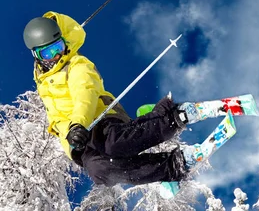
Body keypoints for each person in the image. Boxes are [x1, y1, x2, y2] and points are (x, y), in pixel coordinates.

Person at [23, 12, 208, 187]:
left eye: (59, 47)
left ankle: (173, 116)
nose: (56, 55)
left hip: (99, 120)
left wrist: (77, 124)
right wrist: (68, 137)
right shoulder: (43, 83)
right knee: (101, 172)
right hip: (78, 142)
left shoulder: (76, 66)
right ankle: (173, 165)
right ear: (36, 56)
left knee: (114, 143)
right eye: (47, 53)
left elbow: (85, 94)